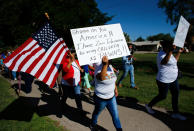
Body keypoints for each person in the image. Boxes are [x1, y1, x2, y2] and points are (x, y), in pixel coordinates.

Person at [145, 40, 186, 120]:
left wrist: (179, 52)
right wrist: (170, 51)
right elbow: (165, 62)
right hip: (163, 80)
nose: (171, 48)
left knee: (175, 95)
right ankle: (149, 105)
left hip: (173, 79)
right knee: (162, 96)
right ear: (165, 47)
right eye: (170, 47)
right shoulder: (161, 54)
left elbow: (174, 61)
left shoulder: (169, 53)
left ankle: (175, 113)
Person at [90, 56, 122, 131]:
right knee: (97, 113)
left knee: (115, 116)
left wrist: (115, 89)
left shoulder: (110, 66)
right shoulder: (98, 69)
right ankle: (93, 124)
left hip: (112, 97)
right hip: (101, 99)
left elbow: (113, 79)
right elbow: (102, 77)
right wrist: (105, 65)